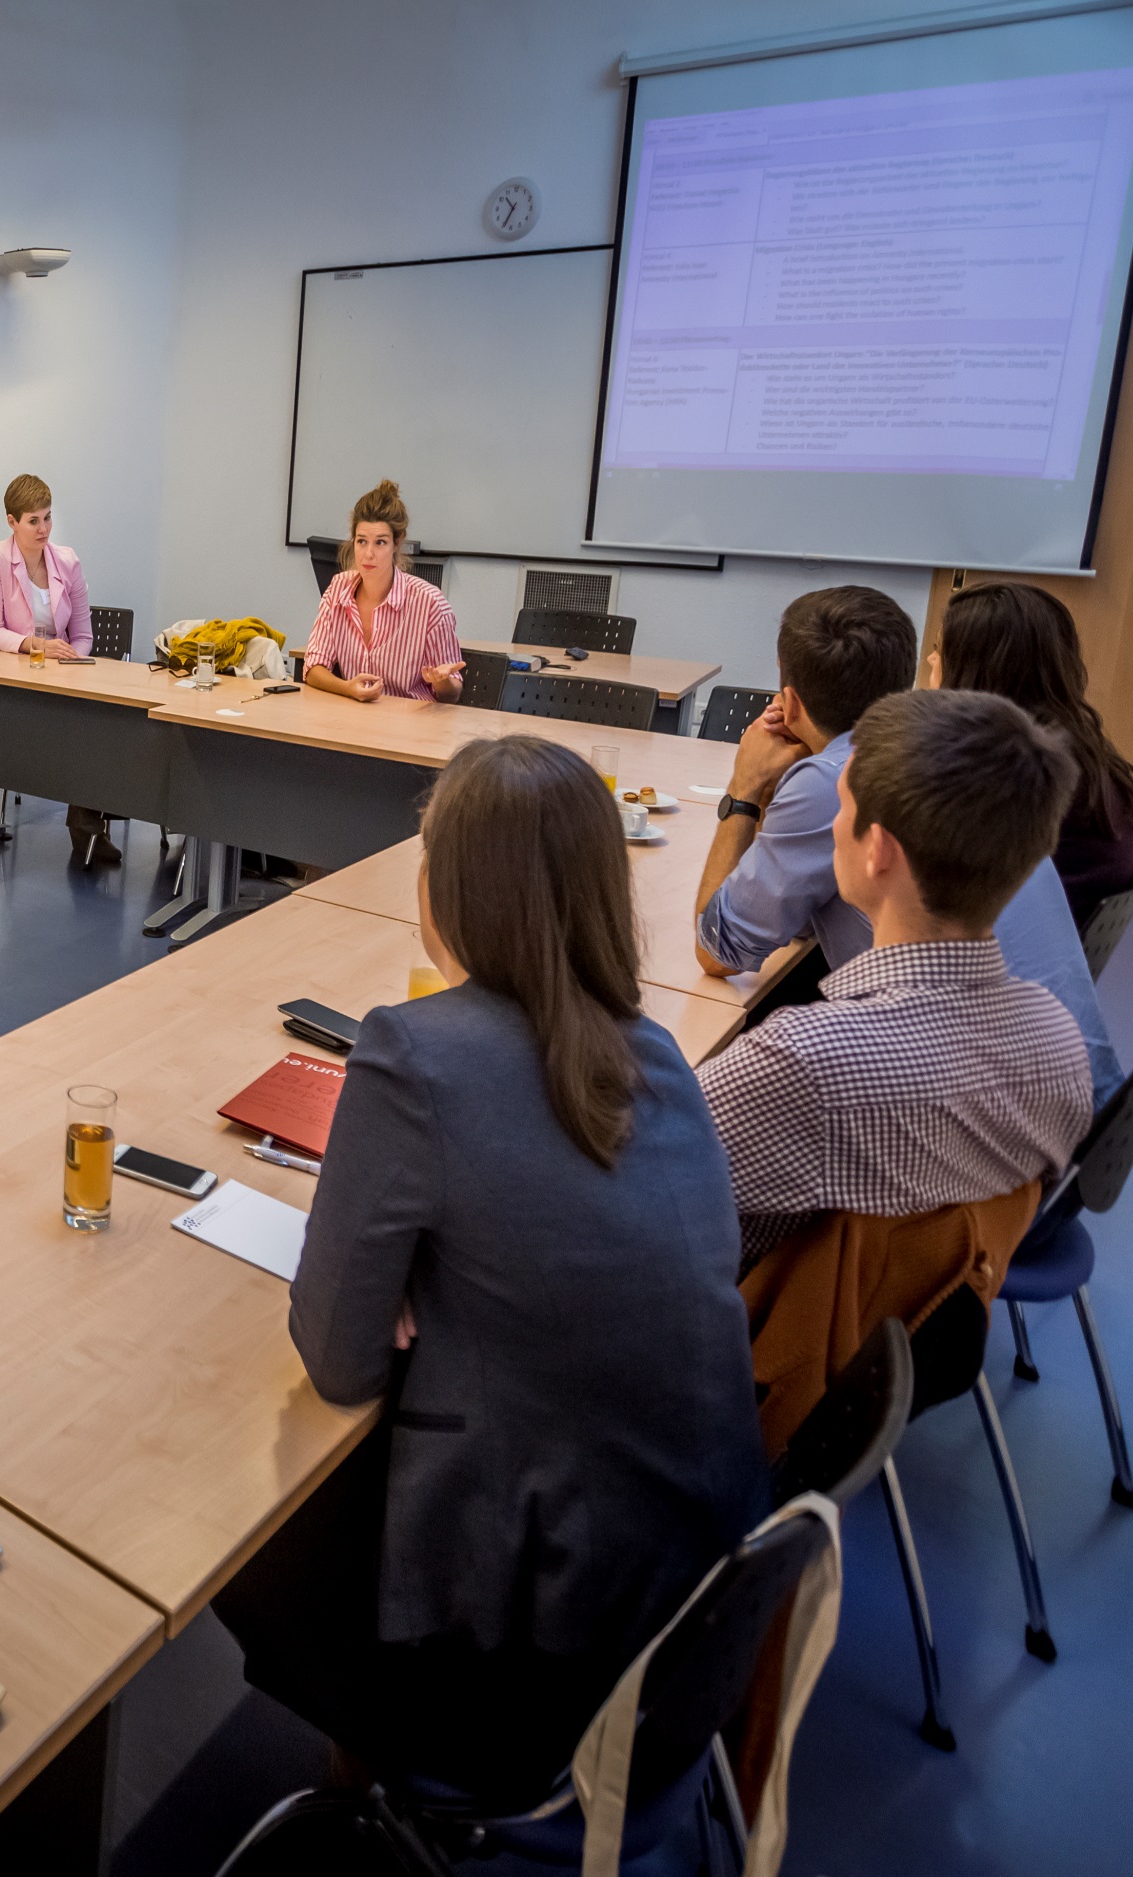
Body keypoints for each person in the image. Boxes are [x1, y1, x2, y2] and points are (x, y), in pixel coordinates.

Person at [215, 735, 765, 1805]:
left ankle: (369, 1800)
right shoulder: (656, 1052)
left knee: (231, 1531)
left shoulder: (411, 1055)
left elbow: (337, 1360)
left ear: (446, 887)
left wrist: (406, 1282)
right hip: (689, 1613)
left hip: (526, 1657)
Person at [699, 689, 1094, 1268]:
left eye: (839, 807)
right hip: (933, 1305)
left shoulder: (799, 1062)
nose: (832, 826)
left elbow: (643, 1188)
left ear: (878, 851)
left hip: (763, 1312)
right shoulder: (1061, 1044)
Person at [697, 586, 1120, 1105]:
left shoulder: (839, 778)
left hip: (992, 1111)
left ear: (792, 700)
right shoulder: (967, 758)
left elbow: (719, 949)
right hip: (1080, 1096)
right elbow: (799, 915)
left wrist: (744, 790)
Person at [930, 580, 1133, 929]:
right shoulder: (1081, 748)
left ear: (978, 671)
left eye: (941, 650)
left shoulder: (1014, 771)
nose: (931, 660)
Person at [0, 473, 119, 865]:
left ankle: (87, 825)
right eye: (33, 521)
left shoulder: (67, 561)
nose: (43, 529)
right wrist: (38, 647)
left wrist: (69, 662)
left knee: (101, 724)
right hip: (17, 674)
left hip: (64, 674)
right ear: (12, 522)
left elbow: (84, 636)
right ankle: (85, 825)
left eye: (48, 517)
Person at [300, 480, 463, 704]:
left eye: (380, 543)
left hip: (412, 720)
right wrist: (347, 688)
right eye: (361, 541)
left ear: (396, 543)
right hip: (355, 716)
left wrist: (441, 681)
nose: (368, 554)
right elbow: (313, 667)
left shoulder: (430, 603)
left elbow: (452, 694)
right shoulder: (338, 589)